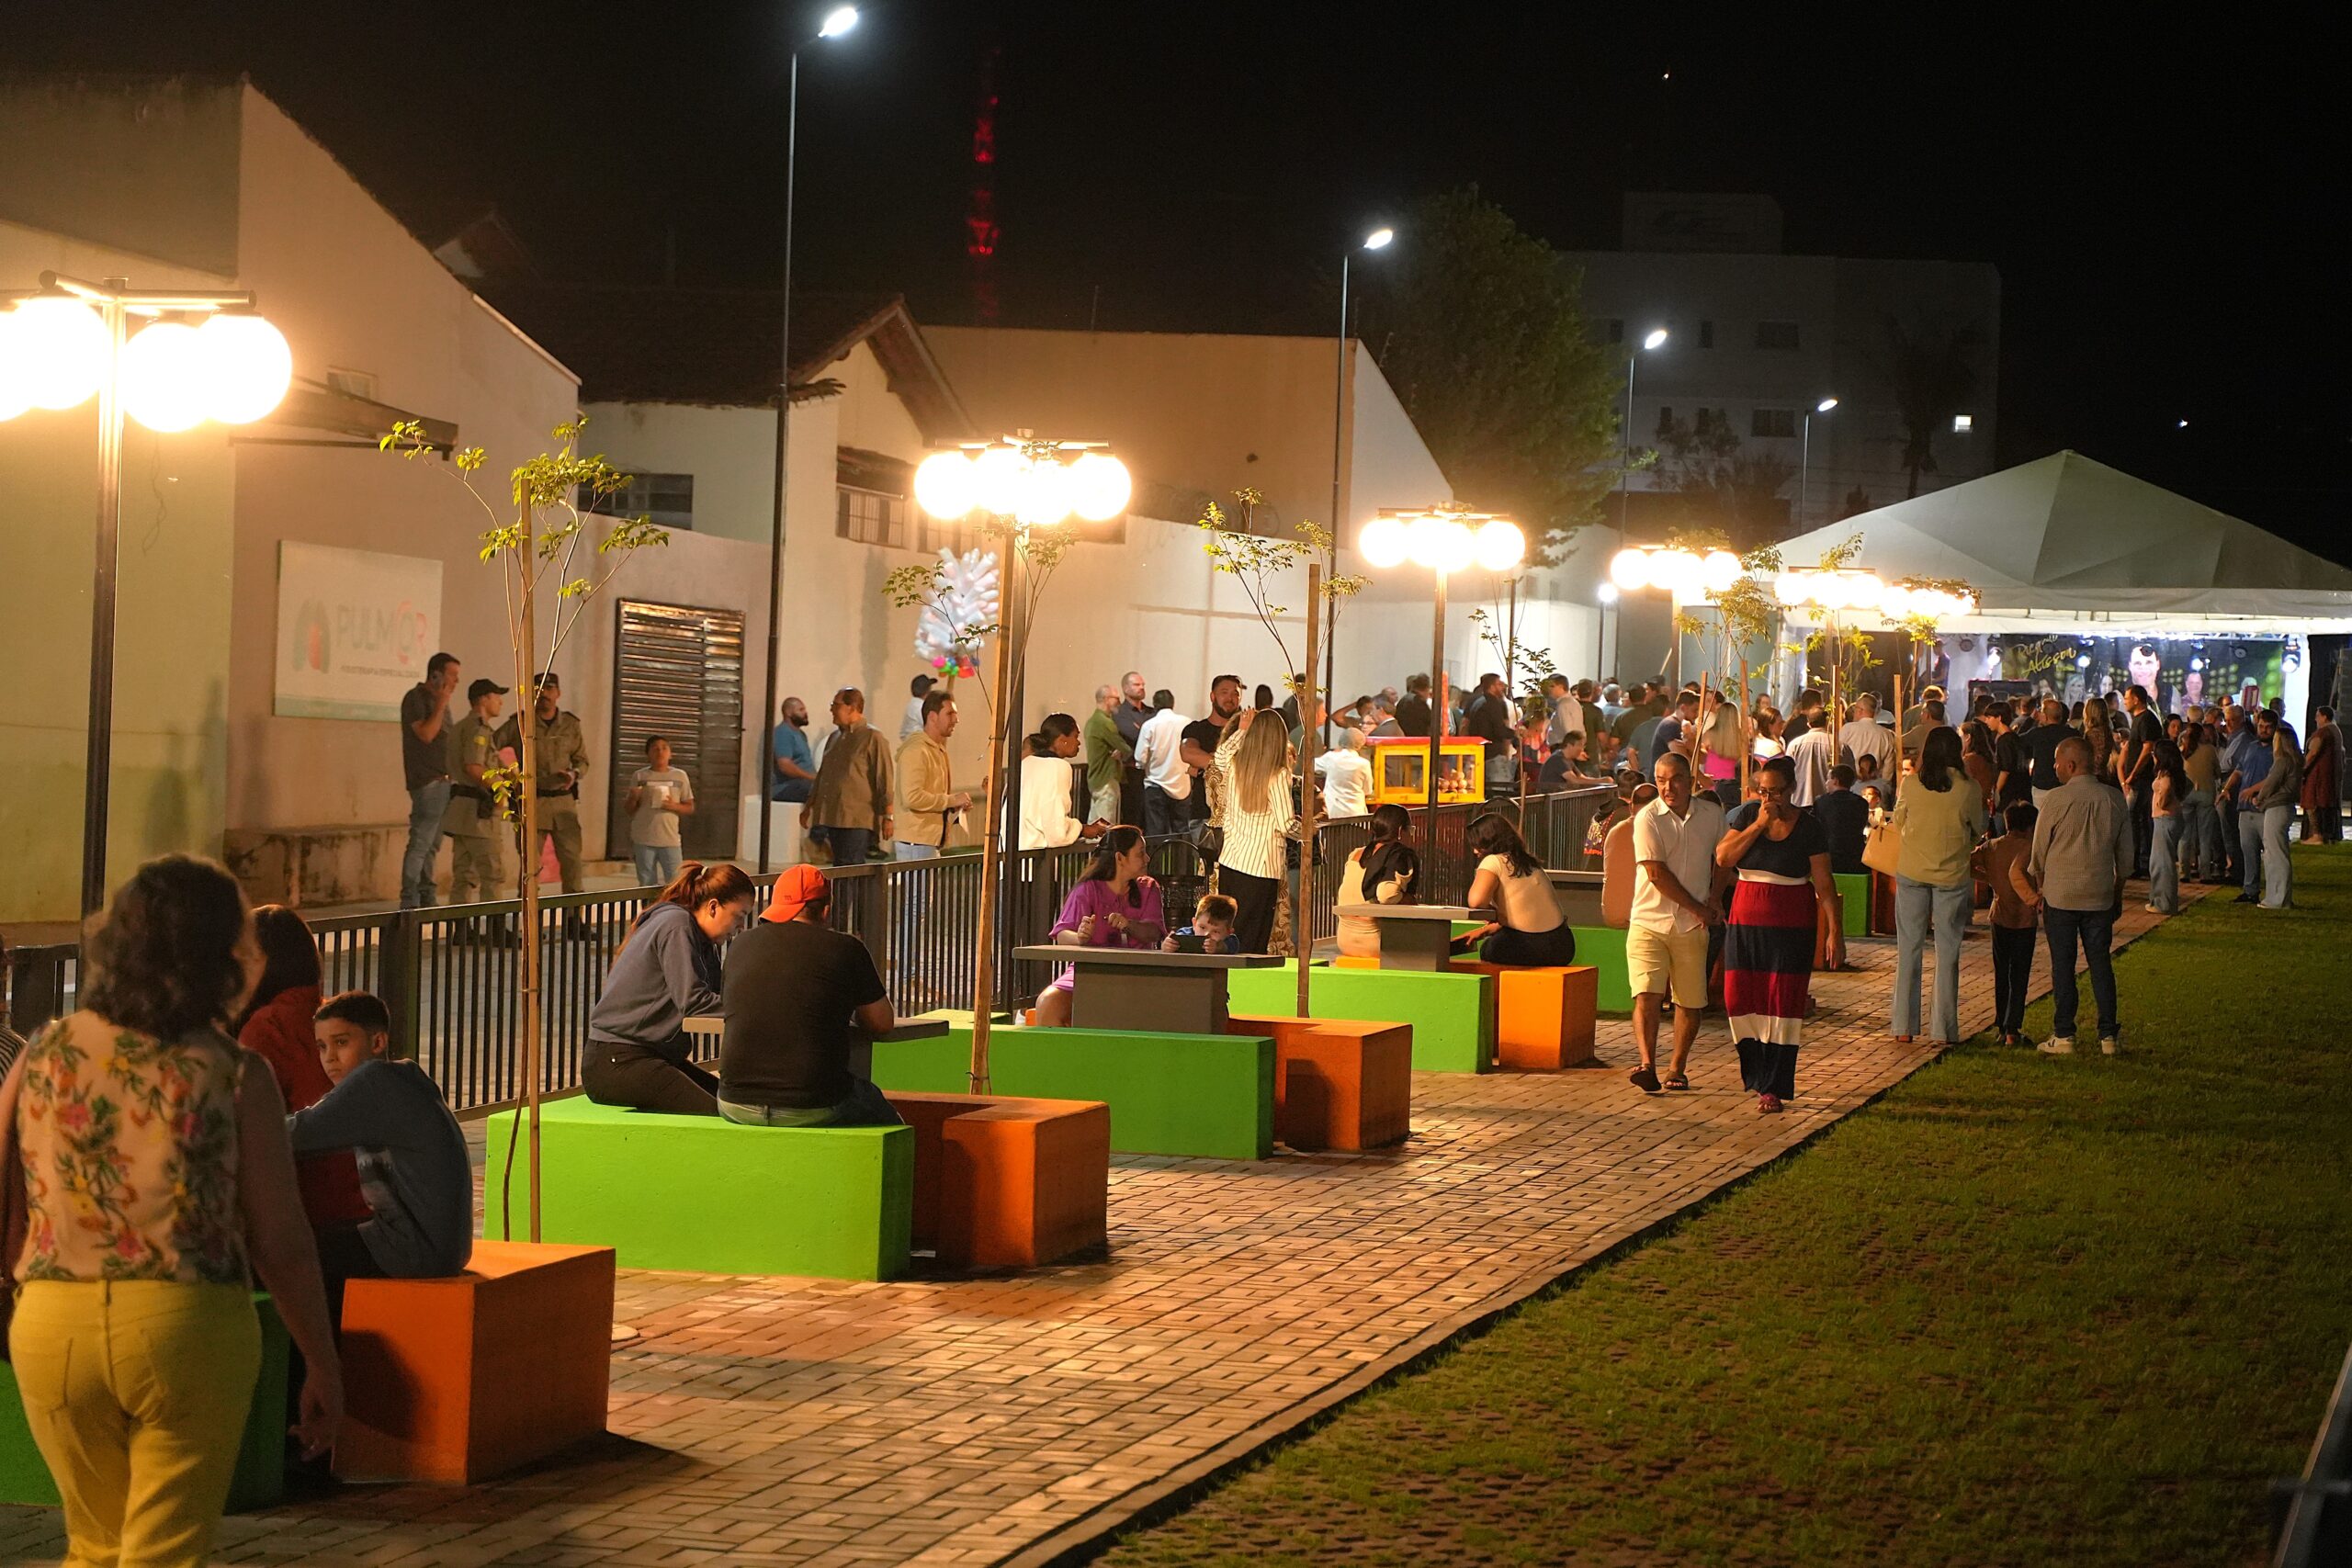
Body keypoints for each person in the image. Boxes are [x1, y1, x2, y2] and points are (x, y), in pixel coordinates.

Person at [0, 856, 341, 1563]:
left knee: (94, 1544)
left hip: (53, 1326)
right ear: (224, 959)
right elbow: (280, 1238)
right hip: (184, 1325)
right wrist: (321, 1360)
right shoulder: (233, 1071)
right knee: (163, 1551)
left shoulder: (42, 1052)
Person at [293, 990, 473, 1315]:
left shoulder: (374, 1083)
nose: (330, 1058)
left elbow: (297, 1133)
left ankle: (317, 1347)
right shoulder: (403, 1079)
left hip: (412, 1249)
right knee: (319, 1241)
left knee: (283, 1255)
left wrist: (225, 1127)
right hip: (442, 1247)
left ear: (377, 1042)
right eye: (321, 1046)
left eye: (341, 1042)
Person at [718, 865, 901, 1126]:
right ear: (826, 910)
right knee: (888, 1119)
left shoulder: (740, 945)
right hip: (813, 1102)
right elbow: (882, 1023)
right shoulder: (847, 948)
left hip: (734, 1103)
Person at [237, 906, 372, 1240]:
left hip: (317, 1213)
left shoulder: (268, 1028)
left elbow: (246, 1132)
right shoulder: (330, 1017)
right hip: (366, 1206)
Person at [1713, 755, 1839, 1112]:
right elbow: (1723, 857)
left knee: (1782, 1003)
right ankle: (1755, 1073)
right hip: (1745, 922)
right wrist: (1758, 825)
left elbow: (1825, 884)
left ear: (1792, 790)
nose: (1770, 799)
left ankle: (1773, 1085)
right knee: (1739, 997)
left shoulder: (1809, 827)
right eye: (1763, 791)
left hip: (1791, 924)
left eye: (1777, 792)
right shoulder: (1747, 817)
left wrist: (1834, 931)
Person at [583, 862, 755, 1114]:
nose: (741, 927)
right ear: (713, 907)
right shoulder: (676, 925)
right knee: (721, 1114)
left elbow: (721, 995)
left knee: (734, 1103)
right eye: (740, 915)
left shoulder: (701, 939)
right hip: (617, 1059)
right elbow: (695, 1002)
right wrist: (754, 1011)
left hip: (648, 1056)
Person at [2022, 737, 2135, 1055]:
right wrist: (2117, 892)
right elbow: (2126, 858)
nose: (2054, 768)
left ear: (2070, 765)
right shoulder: (2114, 799)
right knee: (2101, 963)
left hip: (2060, 895)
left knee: (2063, 965)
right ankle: (2108, 1035)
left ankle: (2064, 1033)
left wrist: (2042, 886)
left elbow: (2038, 854)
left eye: (2057, 762)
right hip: (2099, 894)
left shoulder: (2055, 801)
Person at [1626, 753, 1726, 1095]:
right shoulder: (1647, 818)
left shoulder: (1711, 815)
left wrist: (1715, 898)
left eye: (1676, 779)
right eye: (1661, 780)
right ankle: (1647, 1064)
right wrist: (1699, 908)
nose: (1668, 787)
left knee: (1690, 999)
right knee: (1646, 993)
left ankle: (1677, 1068)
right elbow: (1656, 873)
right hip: (1648, 919)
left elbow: (1724, 858)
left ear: (1691, 781)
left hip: (1691, 927)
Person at [1890, 728, 1987, 1046]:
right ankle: (1944, 1029)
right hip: (1952, 875)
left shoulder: (1911, 784)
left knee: (1909, 949)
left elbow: (1898, 821)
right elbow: (1978, 827)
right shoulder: (1968, 787)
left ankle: (1903, 1026)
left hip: (1912, 870)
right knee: (1948, 952)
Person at [1034, 827, 1169, 1025]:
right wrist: (1080, 937)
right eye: (1140, 853)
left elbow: (1154, 932)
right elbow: (1062, 934)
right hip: (1088, 972)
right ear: (1120, 858)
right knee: (1047, 1002)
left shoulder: (1148, 888)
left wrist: (1129, 925)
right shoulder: (1087, 889)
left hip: (1138, 972)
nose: (1147, 859)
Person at [495, 672, 591, 901]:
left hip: (563, 803)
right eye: (538, 690)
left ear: (558, 693)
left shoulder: (570, 724)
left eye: (549, 689)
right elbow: (490, 747)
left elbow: (582, 761)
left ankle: (573, 916)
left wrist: (573, 774)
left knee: (572, 861)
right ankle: (529, 915)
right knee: (530, 866)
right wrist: (510, 776)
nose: (544, 694)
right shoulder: (520, 723)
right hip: (533, 802)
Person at [1212, 707, 1296, 953]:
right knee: (1253, 938)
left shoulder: (1236, 766)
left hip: (1231, 861)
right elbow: (1286, 824)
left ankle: (1225, 976)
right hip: (1261, 865)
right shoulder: (1278, 775)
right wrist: (1308, 831)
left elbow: (1220, 755)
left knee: (1229, 932)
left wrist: (1241, 730)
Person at [1456, 813, 1575, 966]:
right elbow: (1527, 917)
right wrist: (1485, 930)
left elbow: (1476, 901)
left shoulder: (1493, 860)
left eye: (1477, 845)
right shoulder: (1530, 863)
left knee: (1489, 948)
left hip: (1527, 947)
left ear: (1488, 840)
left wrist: (1494, 913)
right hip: (1563, 945)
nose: (1475, 851)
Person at [438, 676, 512, 907]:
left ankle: (459, 924)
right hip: (479, 815)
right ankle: (494, 925)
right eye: (496, 696)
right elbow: (474, 767)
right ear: (483, 699)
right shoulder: (478, 729)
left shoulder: (462, 726)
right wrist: (500, 789)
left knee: (464, 875)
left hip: (462, 813)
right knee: (493, 874)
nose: (500, 702)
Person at [1973, 800, 2041, 1047]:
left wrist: (1988, 878)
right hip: (2024, 918)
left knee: (2001, 973)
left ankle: (2001, 1025)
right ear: (2030, 826)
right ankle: (2013, 1028)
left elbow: (1967, 862)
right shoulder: (2031, 848)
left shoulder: (1992, 846)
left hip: (1999, 915)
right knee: (2019, 974)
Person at [398, 650, 461, 908]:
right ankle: (409, 900)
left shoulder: (439, 703)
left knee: (433, 844)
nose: (456, 682)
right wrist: (441, 703)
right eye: (452, 675)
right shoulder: (416, 699)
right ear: (436, 675)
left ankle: (427, 894)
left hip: (444, 781)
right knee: (421, 842)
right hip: (428, 781)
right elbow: (426, 734)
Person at [806, 686, 894, 865]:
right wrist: (810, 806)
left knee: (852, 865)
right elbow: (823, 775)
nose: (831, 710)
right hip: (833, 815)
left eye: (836, 705)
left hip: (857, 818)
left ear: (851, 708)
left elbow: (884, 778)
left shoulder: (872, 738)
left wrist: (888, 816)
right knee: (839, 866)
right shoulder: (834, 738)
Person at [1335, 804, 1420, 959]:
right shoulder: (1400, 855)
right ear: (1400, 831)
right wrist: (1408, 899)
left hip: (1344, 940)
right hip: (1375, 942)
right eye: (1411, 829)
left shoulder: (1356, 854)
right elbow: (1386, 894)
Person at [894, 688, 969, 863]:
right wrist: (951, 800)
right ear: (933, 717)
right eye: (950, 714)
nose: (956, 720)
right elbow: (912, 798)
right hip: (916, 841)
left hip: (927, 840)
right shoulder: (916, 750)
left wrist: (955, 805)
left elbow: (932, 795)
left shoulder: (937, 749)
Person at [1019, 713, 1105, 850]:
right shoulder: (1058, 766)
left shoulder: (1026, 763)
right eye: (1075, 736)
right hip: (1034, 851)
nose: (1078, 742)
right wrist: (1082, 829)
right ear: (1062, 739)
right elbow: (1056, 829)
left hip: (1010, 849)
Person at [626, 735, 696, 887]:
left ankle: (672, 904)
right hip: (644, 838)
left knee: (676, 882)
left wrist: (673, 806)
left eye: (664, 748)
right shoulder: (640, 776)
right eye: (655, 749)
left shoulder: (680, 776)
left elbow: (690, 807)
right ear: (648, 754)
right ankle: (650, 904)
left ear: (671, 753)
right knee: (647, 882)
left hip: (670, 838)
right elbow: (629, 810)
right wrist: (633, 797)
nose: (660, 752)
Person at [1181, 674, 1246, 840]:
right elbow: (1188, 753)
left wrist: (1205, 765)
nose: (1230, 698)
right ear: (1212, 696)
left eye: (1235, 694)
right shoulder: (1196, 729)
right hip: (1204, 815)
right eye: (1224, 692)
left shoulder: (1246, 732)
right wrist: (1233, 763)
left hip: (1241, 815)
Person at [2252, 717, 2303, 910]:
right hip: (2284, 806)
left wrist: (2259, 798)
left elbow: (2270, 783)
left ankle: (2277, 898)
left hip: (2277, 806)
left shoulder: (2282, 761)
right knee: (2277, 852)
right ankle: (2279, 896)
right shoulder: (2295, 761)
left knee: (2275, 853)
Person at [2227, 708, 2278, 903]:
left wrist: (2252, 791)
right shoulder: (2251, 747)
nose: (2263, 730)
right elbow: (2239, 770)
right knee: (2248, 851)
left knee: (2271, 853)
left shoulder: (2277, 751)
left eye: (2268, 727)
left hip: (2264, 808)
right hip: (2245, 807)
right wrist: (2226, 789)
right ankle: (2250, 890)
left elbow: (2273, 778)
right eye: (2261, 726)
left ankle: (2274, 891)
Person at [2117, 684, 2164, 877]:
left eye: (2127, 698)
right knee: (2138, 821)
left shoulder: (2146, 719)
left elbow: (2147, 748)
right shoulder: (2139, 720)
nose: (2125, 701)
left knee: (2134, 820)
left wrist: (2133, 774)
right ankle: (2139, 862)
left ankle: (2139, 862)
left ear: (2136, 699)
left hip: (2142, 780)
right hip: (2137, 780)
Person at [1135, 688, 1193, 839]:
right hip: (1182, 783)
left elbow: (1140, 758)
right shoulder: (1187, 722)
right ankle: (1182, 855)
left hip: (1155, 784)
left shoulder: (1150, 725)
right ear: (1173, 703)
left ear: (1155, 705)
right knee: (1182, 831)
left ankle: (1158, 855)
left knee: (1156, 833)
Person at [2143, 734, 2189, 914]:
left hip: (2165, 819)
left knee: (2162, 863)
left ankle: (2163, 903)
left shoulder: (2167, 776)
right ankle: (2160, 900)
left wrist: (2161, 801)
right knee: (2161, 861)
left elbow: (2166, 791)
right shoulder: (2173, 773)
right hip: (2168, 819)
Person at [2177, 720, 2224, 882]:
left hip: (2186, 794)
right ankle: (2205, 873)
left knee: (2185, 835)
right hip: (2205, 792)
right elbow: (2217, 772)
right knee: (2205, 836)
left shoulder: (2182, 751)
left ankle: (2184, 871)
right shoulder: (2209, 750)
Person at [1082, 683, 1132, 826]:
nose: (1119, 702)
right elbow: (1125, 748)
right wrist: (1122, 751)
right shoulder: (1104, 723)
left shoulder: (1092, 721)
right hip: (1106, 778)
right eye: (1116, 698)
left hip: (1095, 778)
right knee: (1105, 825)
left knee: (1094, 823)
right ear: (1106, 699)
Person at [1815, 762, 1870, 874]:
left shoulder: (1821, 802)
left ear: (1836, 781)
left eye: (1828, 779)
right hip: (1856, 854)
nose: (1826, 783)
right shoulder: (1862, 803)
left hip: (1829, 855)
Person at [2023, 697, 2076, 811]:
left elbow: (2017, 740)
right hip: (2065, 784)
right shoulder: (2073, 734)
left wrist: (2030, 720)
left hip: (2042, 785)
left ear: (2044, 716)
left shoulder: (2037, 734)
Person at [1316, 727, 1374, 819]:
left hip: (1333, 810)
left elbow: (1311, 766)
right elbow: (1368, 791)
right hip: (1355, 812)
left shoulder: (1331, 758)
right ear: (1360, 746)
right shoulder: (1364, 764)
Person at [2302, 705, 2341, 844]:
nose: (2316, 719)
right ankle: (2326, 836)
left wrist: (2302, 768)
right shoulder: (2335, 731)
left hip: (2317, 775)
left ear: (2324, 717)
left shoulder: (2323, 732)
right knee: (2325, 806)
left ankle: (2317, 835)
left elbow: (2313, 752)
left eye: (2318, 716)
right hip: (2328, 775)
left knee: (2312, 803)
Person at [1837, 693, 1896, 779]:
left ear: (1860, 710)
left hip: (1850, 781)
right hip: (1875, 784)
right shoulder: (1886, 735)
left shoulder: (1847, 729)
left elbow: (1837, 753)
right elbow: (1888, 769)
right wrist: (1883, 784)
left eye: (1855, 708)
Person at [1786, 704, 1836, 807]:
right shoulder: (1837, 744)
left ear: (1808, 724)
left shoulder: (1794, 745)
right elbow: (1849, 774)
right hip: (1829, 804)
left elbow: (1787, 774)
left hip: (1799, 803)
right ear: (1827, 722)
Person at [771, 696, 817, 804]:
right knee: (818, 789)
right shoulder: (783, 733)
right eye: (801, 710)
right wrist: (812, 777)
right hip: (785, 787)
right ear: (788, 713)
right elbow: (785, 766)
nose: (805, 713)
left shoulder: (801, 735)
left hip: (803, 783)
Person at [1646, 686, 1702, 776]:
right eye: (1694, 710)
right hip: (1663, 779)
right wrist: (1703, 779)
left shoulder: (1678, 726)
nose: (1697, 715)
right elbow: (1683, 760)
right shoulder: (1670, 725)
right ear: (1683, 708)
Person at [1163, 892, 1240, 953]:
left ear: (1228, 932)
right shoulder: (1185, 933)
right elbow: (1175, 940)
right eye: (1202, 927)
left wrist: (1218, 948)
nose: (1206, 934)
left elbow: (1230, 946)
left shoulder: (1230, 940)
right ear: (1194, 923)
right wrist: (1168, 944)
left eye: (1216, 931)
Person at [1394, 672, 1434, 738]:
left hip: (1403, 739)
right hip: (1418, 740)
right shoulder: (1419, 703)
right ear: (1426, 689)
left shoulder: (1402, 700)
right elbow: (1430, 723)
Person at [899, 673, 934, 740]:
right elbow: (931, 726)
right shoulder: (920, 707)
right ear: (927, 691)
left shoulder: (912, 704)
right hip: (916, 743)